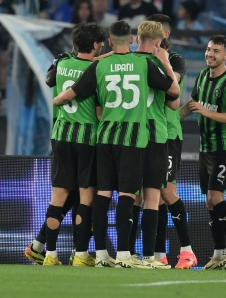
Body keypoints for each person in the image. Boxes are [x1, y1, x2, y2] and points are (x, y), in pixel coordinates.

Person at [54, 20, 180, 268]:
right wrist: (165, 61)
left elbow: (72, 93)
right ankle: (125, 254)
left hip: (104, 137)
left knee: (103, 194)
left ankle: (101, 254)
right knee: (127, 195)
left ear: (109, 42)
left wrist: (58, 98)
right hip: (133, 138)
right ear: (131, 40)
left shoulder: (100, 65)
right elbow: (173, 93)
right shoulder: (142, 64)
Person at [40, 22, 107, 267]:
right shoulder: (98, 70)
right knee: (85, 197)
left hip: (61, 135)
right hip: (87, 138)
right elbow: (99, 111)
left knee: (57, 196)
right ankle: (80, 255)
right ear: (97, 44)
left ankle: (50, 254)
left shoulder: (62, 63)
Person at [179, 35, 226, 270]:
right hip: (205, 148)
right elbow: (192, 106)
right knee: (210, 203)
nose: (209, 54)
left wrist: (205, 113)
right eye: (208, 49)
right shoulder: (201, 76)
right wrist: (170, 119)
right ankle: (219, 254)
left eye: (216, 51)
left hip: (223, 148)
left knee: (215, 198)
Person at [146, 13, 198, 270]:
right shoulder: (144, 59)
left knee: (167, 192)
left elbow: (172, 85)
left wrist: (160, 61)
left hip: (168, 133)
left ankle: (187, 251)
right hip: (147, 133)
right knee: (150, 194)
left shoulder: (175, 59)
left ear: (164, 35)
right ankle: (158, 254)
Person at [131, 20, 180, 270]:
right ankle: (150, 256)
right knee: (152, 198)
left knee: (129, 196)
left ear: (137, 38)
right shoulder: (155, 64)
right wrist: (166, 62)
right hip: (154, 136)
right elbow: (174, 98)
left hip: (127, 136)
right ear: (159, 43)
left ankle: (125, 255)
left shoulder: (125, 63)